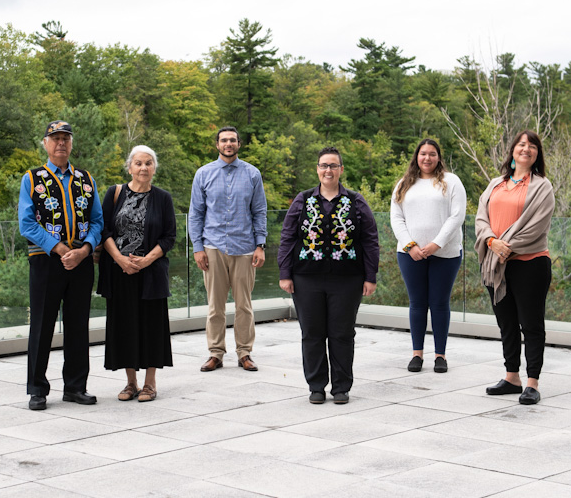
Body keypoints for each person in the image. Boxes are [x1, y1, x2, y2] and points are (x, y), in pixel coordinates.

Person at [278, 147, 378, 404]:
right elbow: (288, 237)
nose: (328, 170)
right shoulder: (303, 200)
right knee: (312, 333)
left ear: (341, 170)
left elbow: (369, 240)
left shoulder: (356, 201)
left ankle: (341, 387)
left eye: (333, 166)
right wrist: (285, 273)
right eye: (324, 165)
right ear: (317, 169)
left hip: (347, 280)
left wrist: (370, 276)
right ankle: (316, 386)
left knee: (342, 333)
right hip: (306, 278)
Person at [19, 120, 103, 410]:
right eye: (55, 138)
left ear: (71, 143)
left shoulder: (85, 178)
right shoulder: (33, 178)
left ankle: (76, 386)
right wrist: (59, 247)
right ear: (45, 143)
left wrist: (85, 250)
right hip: (46, 262)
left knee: (78, 325)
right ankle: (37, 389)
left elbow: (98, 221)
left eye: (66, 138)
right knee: (41, 325)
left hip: (81, 262)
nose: (61, 143)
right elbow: (26, 223)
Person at [475, 130, 555, 406]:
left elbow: (537, 227)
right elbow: (480, 218)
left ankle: (532, 382)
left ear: (537, 155)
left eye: (532, 146)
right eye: (521, 144)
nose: (526, 149)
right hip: (495, 265)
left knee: (531, 324)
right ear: (512, 151)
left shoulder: (542, 186)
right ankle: (512, 377)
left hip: (530, 264)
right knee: (506, 322)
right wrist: (490, 241)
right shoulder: (496, 184)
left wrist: (504, 246)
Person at [98, 146, 176, 402]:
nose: (143, 168)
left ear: (154, 168)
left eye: (149, 163)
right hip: (119, 271)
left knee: (152, 326)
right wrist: (120, 259)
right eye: (138, 163)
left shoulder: (163, 198)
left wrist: (146, 261)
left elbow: (169, 237)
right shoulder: (115, 193)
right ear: (130, 167)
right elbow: (104, 230)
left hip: (150, 271)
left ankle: (150, 384)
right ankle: (130, 382)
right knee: (124, 326)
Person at [189, 126, 268, 373]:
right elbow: (196, 213)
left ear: (239, 144)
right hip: (212, 247)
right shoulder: (204, 174)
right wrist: (197, 248)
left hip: (244, 247)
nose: (228, 144)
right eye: (224, 140)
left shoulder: (252, 174)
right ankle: (215, 353)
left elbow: (259, 211)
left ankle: (245, 353)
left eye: (232, 140)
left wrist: (260, 245)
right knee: (215, 306)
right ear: (217, 145)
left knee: (244, 305)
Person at [390, 139, 466, 373]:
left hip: (446, 254)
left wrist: (436, 244)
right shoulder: (404, 184)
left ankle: (440, 356)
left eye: (432, 154)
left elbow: (457, 216)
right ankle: (417, 354)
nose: (427, 158)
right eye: (423, 154)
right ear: (416, 157)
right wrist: (410, 245)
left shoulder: (451, 182)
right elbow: (396, 217)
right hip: (410, 254)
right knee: (417, 303)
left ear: (439, 157)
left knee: (440, 303)